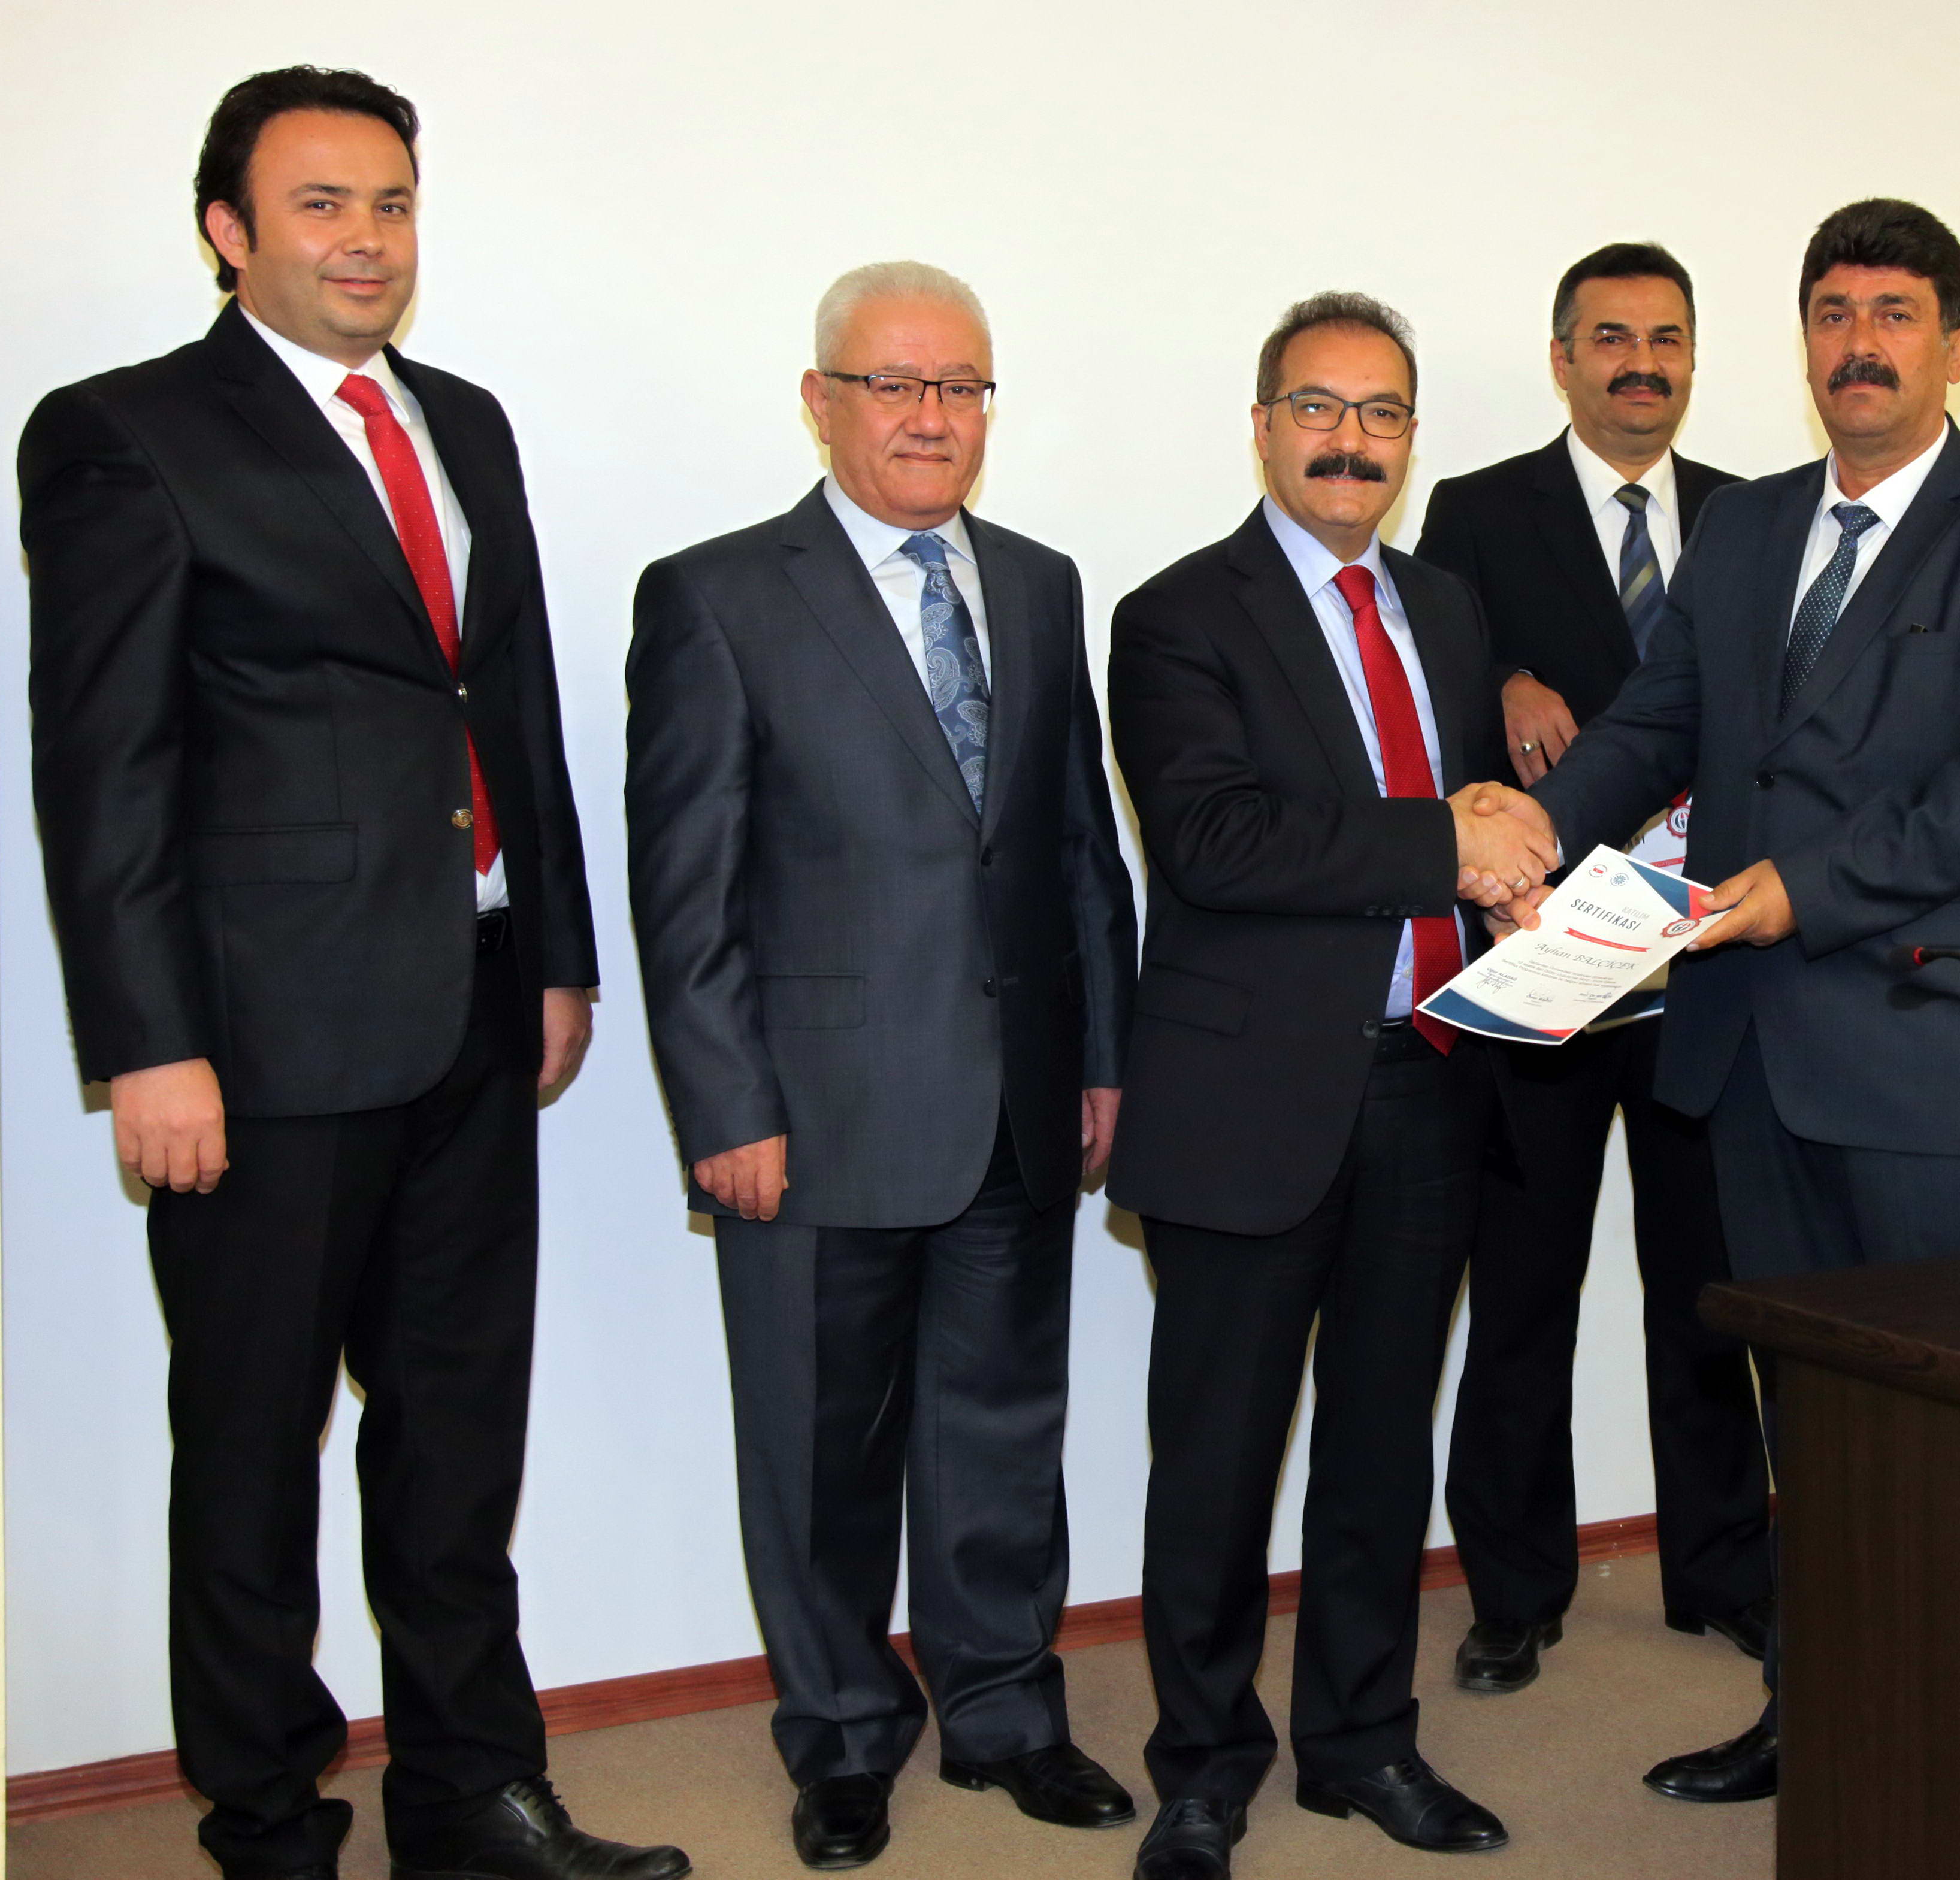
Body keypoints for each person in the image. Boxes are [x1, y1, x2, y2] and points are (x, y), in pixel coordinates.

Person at [19, 67, 684, 1880]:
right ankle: (267, 1823)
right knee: (251, 1456)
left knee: (458, 1438)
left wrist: (555, 955)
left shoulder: (462, 421)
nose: (366, 237)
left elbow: (510, 698)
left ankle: (471, 1796)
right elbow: (104, 763)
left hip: (474, 1009)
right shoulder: (122, 430)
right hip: (260, 1040)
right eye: (320, 203)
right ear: (227, 231)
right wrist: (147, 1044)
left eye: (390, 202)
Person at [1489, 199, 1960, 1805]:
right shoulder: (1748, 526)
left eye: (1892, 314)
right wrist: (1535, 828)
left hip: (1928, 1059)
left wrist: (1801, 889)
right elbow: (1657, 722)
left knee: (1949, 1427)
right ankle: (1820, 1710)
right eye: (1833, 312)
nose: (1858, 343)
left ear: (1953, 347)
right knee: (1811, 1427)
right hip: (1751, 1054)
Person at [624, 261, 1139, 1870]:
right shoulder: (716, 595)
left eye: (959, 385)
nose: (930, 415)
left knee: (1001, 1435)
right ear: (820, 400)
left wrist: (1103, 1054)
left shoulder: (1040, 585)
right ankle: (841, 1734)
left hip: (1016, 1102)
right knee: (816, 1448)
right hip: (811, 1115)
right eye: (893, 383)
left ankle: (1003, 1713)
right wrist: (725, 1104)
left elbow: (1076, 847)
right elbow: (685, 884)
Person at [1106, 292, 1551, 1879]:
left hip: (1426, 1078)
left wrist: (1500, 856)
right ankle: (1202, 1766)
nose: (1348, 441)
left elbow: (1452, 811)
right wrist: (1446, 840)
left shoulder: (1442, 606)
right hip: (1245, 1104)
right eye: (1316, 407)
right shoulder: (1174, 614)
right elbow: (1215, 839)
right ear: (1260, 426)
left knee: (1378, 1448)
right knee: (1217, 1461)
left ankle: (1361, 1741)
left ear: (1409, 439)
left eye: (1379, 414)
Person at [1414, 243, 1768, 1694]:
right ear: (1562, 358)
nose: (1641, 363)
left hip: (1707, 961)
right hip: (1543, 965)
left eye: (1665, 337)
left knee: (1707, 1291)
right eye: (1610, 337)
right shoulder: (1475, 509)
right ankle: (1513, 1590)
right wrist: (1496, 680)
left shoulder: (1754, 515)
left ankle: (1723, 1570)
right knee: (1521, 1288)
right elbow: (1427, 693)